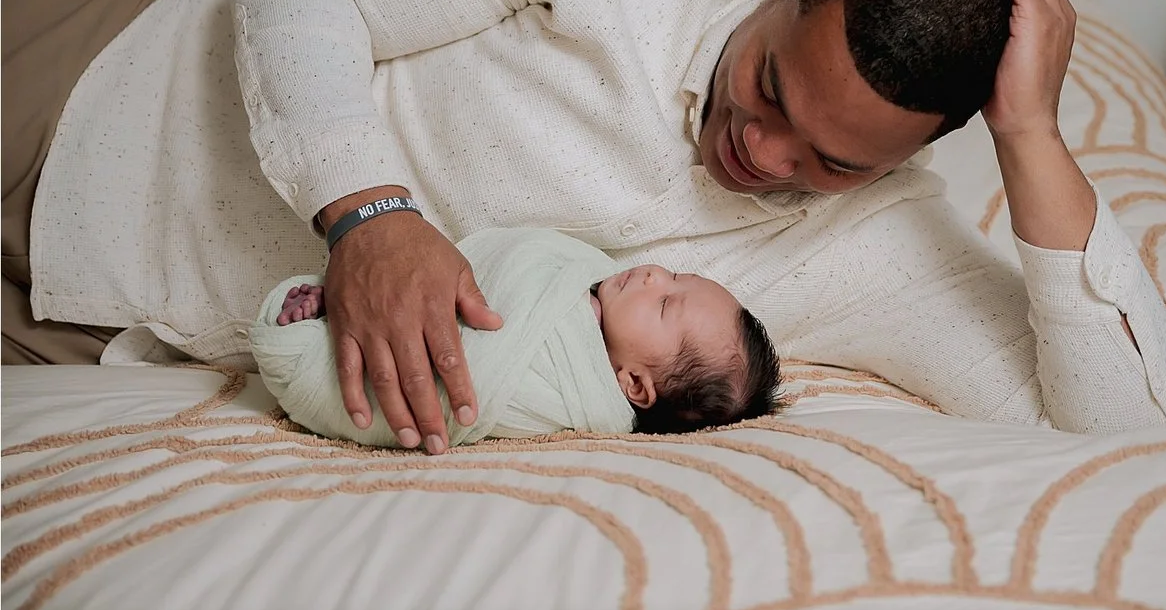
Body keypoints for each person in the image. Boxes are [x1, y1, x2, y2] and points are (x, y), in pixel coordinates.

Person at [7, 0, 1166, 460]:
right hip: (102, 81)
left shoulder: (881, 249)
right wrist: (368, 212)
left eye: (831, 161)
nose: (762, 152)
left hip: (107, 336)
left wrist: (1030, 132)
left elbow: (1129, 442)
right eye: (770, 86)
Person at [252, 227, 779, 445]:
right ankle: (336, 310)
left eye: (665, 302)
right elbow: (507, 259)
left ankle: (317, 333)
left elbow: (470, 381)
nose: (654, 273)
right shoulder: (588, 274)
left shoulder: (565, 392)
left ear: (634, 386)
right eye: (676, 275)